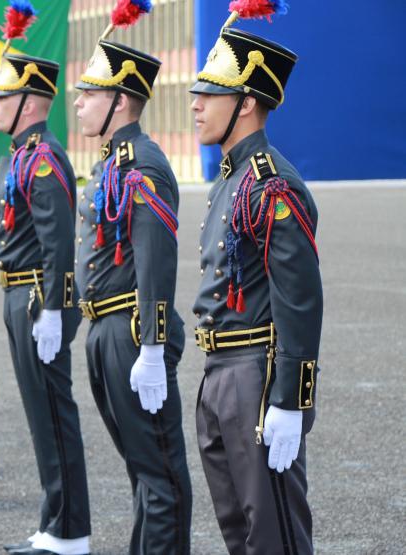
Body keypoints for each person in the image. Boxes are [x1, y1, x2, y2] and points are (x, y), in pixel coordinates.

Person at [190, 9, 322, 553]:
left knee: (274, 533)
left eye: (210, 95)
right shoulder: (233, 177)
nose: (195, 104)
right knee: (239, 530)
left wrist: (290, 399)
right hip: (220, 369)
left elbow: (300, 299)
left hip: (256, 376)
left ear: (246, 103)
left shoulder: (270, 184)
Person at [73, 13, 194, 550]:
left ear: (119, 100)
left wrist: (151, 343)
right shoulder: (112, 164)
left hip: (131, 331)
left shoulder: (142, 165)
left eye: (89, 94)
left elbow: (154, 262)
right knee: (143, 472)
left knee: (161, 475)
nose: (78, 103)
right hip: (107, 330)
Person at [0, 17, 92, 551]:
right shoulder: (21, 155)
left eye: (2, 96)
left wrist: (54, 307)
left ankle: (70, 530)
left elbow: (58, 246)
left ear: (30, 102)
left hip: (36, 299)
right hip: (18, 294)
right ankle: (55, 521)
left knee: (53, 412)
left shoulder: (45, 160)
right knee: (39, 413)